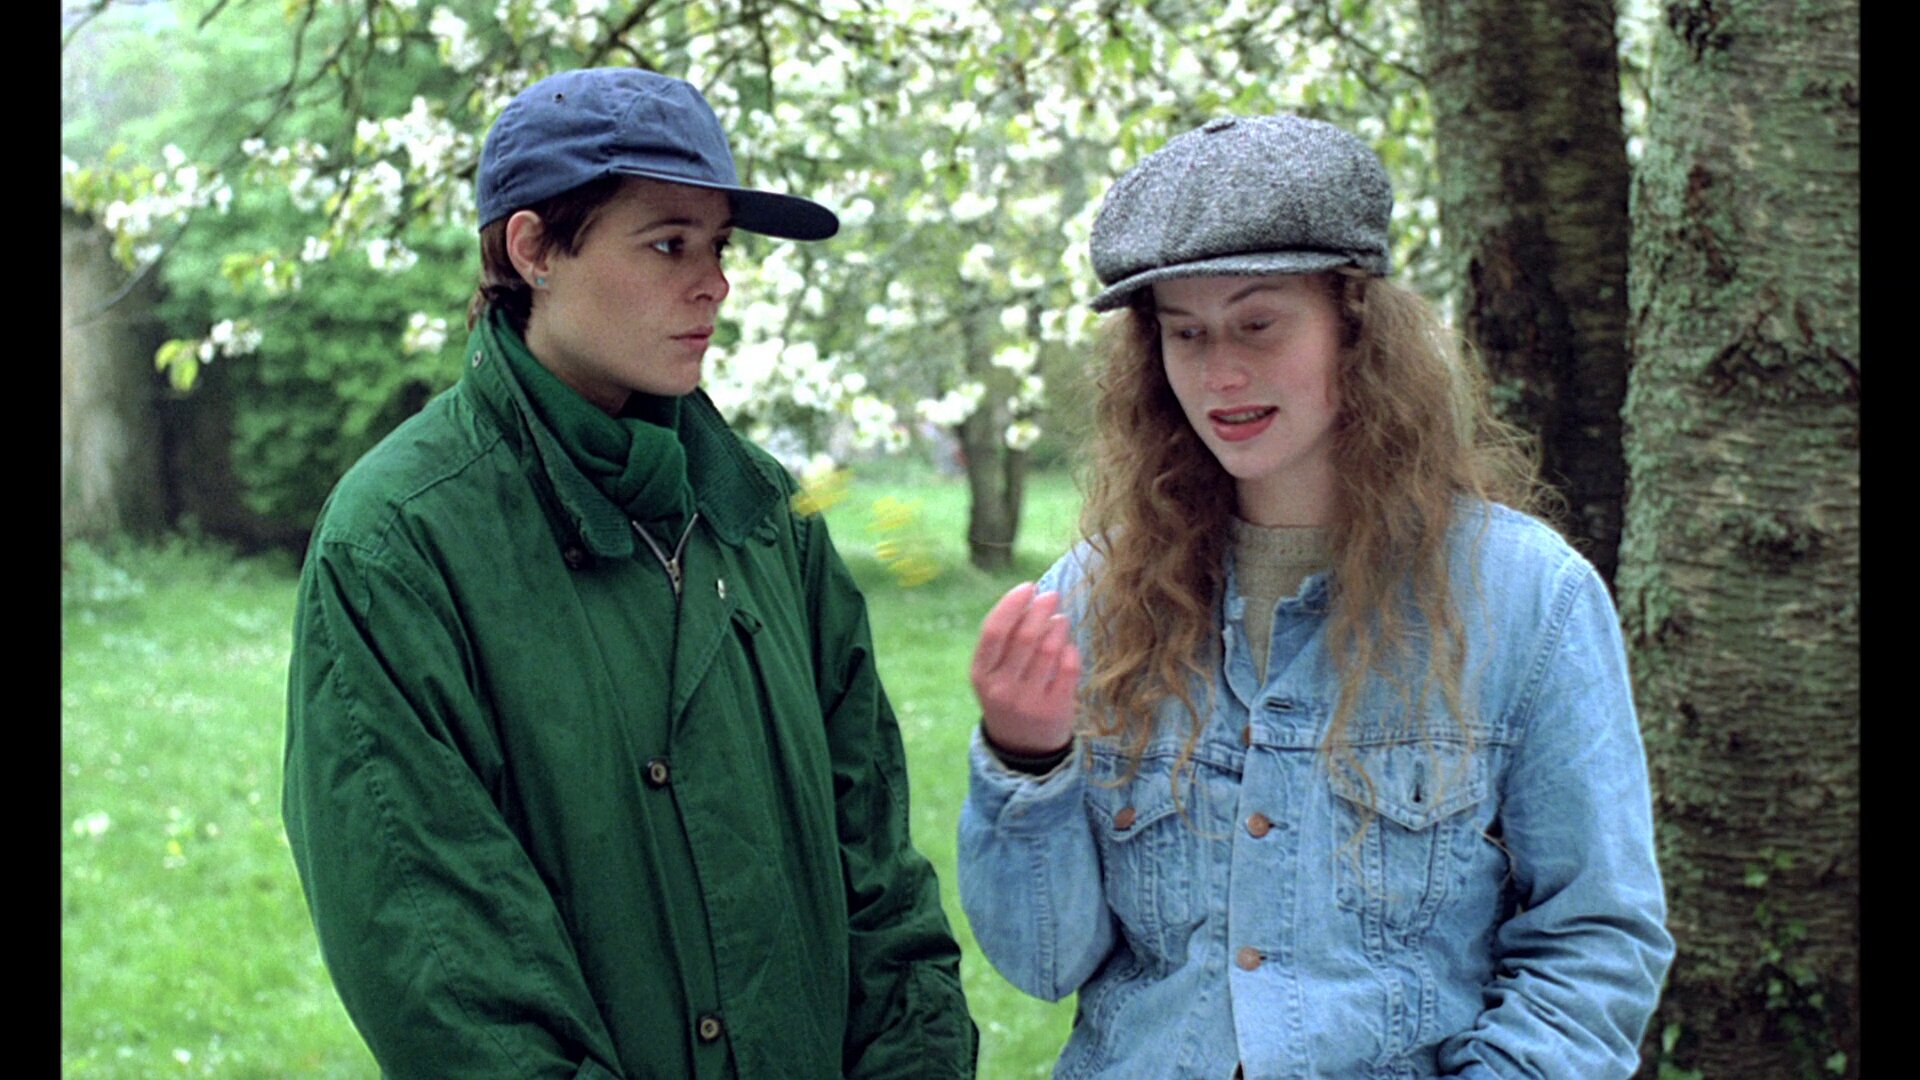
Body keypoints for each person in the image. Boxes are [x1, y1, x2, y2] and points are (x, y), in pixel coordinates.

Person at [282, 67, 976, 1079]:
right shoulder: (396, 544)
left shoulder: (765, 517)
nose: (714, 284)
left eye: (718, 246)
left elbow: (879, 879)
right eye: (667, 244)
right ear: (533, 250)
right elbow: (441, 970)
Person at [958, 113, 1673, 1078]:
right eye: (1184, 332)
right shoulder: (1092, 597)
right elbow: (1043, 965)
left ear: (1357, 325)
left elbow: (1594, 943)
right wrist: (1026, 760)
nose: (1220, 372)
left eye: (1258, 323)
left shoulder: (1530, 600)